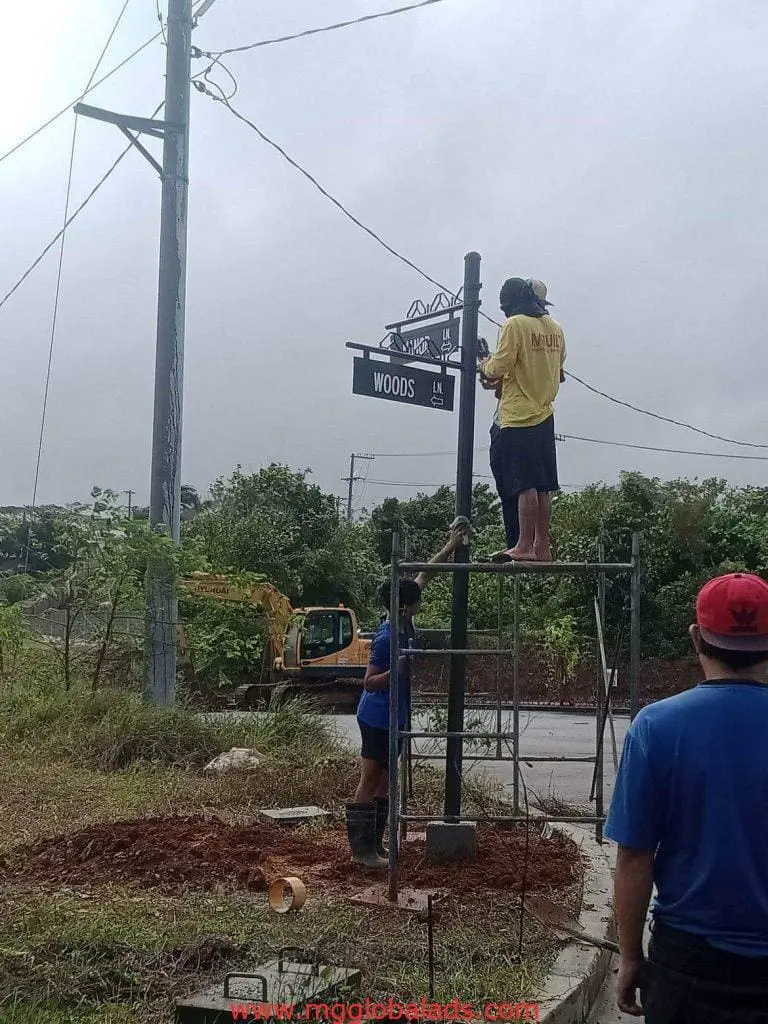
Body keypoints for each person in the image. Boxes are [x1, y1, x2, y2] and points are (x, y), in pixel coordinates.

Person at [605, 572, 768, 1023]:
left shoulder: (657, 727)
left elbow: (635, 857)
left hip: (687, 964)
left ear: (696, 637)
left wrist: (632, 956)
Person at [345, 520, 469, 869]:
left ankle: (377, 845)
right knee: (370, 779)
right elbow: (369, 682)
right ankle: (361, 851)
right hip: (376, 716)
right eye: (417, 603)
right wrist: (395, 670)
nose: (420, 603)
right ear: (404, 606)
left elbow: (423, 577)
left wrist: (449, 547)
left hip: (394, 716)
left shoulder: (403, 618)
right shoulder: (387, 637)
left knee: (385, 781)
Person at [478, 277, 565, 561]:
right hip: (545, 413)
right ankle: (542, 546)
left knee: (524, 483)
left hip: (518, 415)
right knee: (542, 486)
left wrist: (484, 364)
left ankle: (524, 544)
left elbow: (499, 365)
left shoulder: (515, 324)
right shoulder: (555, 330)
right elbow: (557, 370)